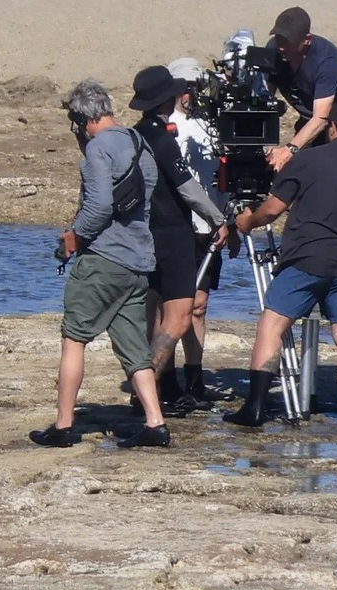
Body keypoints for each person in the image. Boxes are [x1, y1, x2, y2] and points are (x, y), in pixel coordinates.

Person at [224, 98, 337, 431]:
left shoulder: (307, 160)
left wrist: (247, 222)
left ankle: (255, 408)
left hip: (306, 258)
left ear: (331, 127)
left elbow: (272, 210)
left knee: (272, 325)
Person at [29, 79, 170, 449]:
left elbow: (100, 206)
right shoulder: (139, 143)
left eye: (74, 125)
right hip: (139, 261)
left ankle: (63, 426)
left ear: (82, 120)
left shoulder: (98, 149)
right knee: (135, 348)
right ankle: (155, 423)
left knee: (74, 338)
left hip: (103, 260)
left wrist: (74, 237)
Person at [130, 65, 229, 412]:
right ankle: (144, 391)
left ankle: (157, 390)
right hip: (173, 235)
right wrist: (219, 219)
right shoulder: (162, 139)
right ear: (167, 99)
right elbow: (188, 188)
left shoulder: (136, 135)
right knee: (179, 316)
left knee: (155, 312)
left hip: (146, 233)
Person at [166, 56, 238, 406]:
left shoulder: (210, 124)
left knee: (199, 305)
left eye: (196, 87)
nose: (192, 94)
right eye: (186, 88)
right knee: (171, 306)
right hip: (177, 226)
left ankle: (194, 378)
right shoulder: (166, 126)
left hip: (209, 227)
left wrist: (230, 222)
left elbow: (221, 177)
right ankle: (165, 376)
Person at [265, 6, 337, 172]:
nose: (281, 47)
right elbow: (263, 98)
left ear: (307, 40)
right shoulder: (274, 50)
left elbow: (321, 118)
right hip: (311, 106)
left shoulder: (325, 60)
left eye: (288, 42)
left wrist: (289, 150)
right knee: (302, 161)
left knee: (334, 162)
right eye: (279, 39)